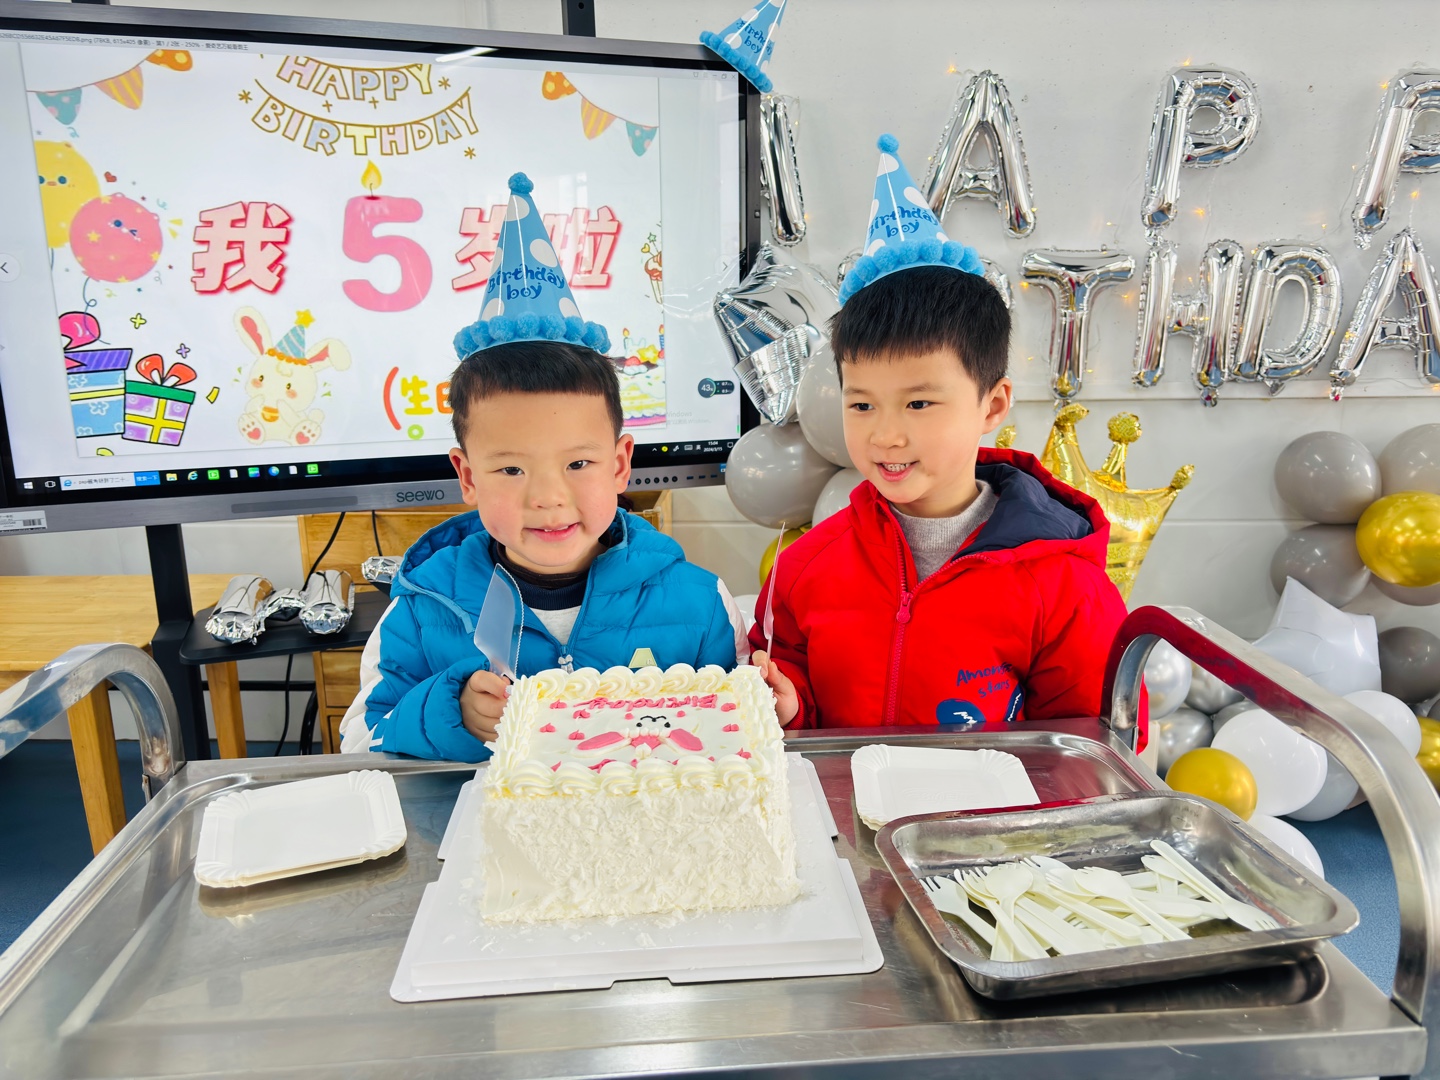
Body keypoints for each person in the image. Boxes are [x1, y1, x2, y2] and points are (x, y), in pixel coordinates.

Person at [340, 173, 747, 762]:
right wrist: (450, 713)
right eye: (511, 471)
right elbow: (361, 743)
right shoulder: (421, 610)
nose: (548, 497)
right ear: (467, 475)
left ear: (620, 464)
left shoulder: (700, 602)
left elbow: (739, 735)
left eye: (578, 462)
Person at [749, 135, 1142, 744]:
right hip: (843, 803)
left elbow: (1094, 742)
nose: (885, 435)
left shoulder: (1063, 584)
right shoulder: (805, 567)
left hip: (990, 806)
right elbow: (789, 677)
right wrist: (787, 703)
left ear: (993, 404)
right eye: (861, 404)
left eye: (919, 402)